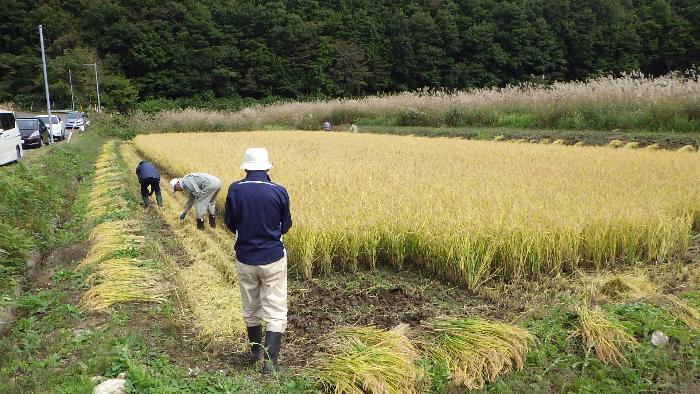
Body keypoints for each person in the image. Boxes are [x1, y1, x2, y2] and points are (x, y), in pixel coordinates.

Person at [224, 148, 292, 374]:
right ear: (267, 167)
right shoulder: (279, 191)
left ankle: (255, 352)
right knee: (274, 307)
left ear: (245, 168)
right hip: (272, 257)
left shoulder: (235, 189)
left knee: (250, 304)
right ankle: (270, 364)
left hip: (245, 257)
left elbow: (230, 223)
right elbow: (286, 226)